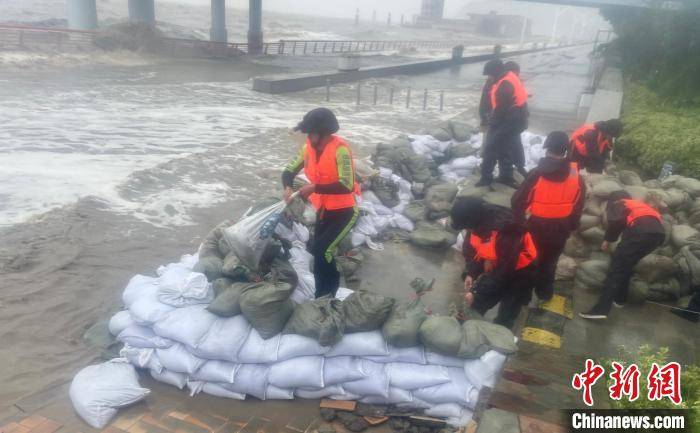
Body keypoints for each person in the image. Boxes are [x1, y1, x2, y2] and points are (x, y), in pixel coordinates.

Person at [282, 107, 359, 298]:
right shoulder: (308, 148)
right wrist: (287, 187)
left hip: (345, 211)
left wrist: (315, 188)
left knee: (323, 251)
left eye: (311, 133)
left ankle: (328, 294)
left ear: (322, 132)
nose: (308, 136)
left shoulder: (340, 150)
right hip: (324, 210)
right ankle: (320, 294)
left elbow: (347, 185)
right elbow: (289, 171)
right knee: (319, 253)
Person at [511, 131, 586, 301]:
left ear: (546, 148)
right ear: (565, 151)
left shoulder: (536, 174)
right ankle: (544, 293)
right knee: (549, 263)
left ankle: (524, 296)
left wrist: (520, 222)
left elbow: (517, 201)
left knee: (529, 260)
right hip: (560, 229)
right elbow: (578, 206)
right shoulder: (576, 178)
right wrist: (572, 226)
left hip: (534, 228)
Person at [451, 197, 538, 329]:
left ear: (472, 220)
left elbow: (504, 270)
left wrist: (477, 292)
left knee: (506, 314)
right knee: (475, 303)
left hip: (522, 272)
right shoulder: (476, 227)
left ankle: (501, 333)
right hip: (500, 266)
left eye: (466, 226)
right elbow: (473, 253)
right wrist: (471, 273)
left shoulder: (507, 231)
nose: (467, 230)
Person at [580, 191, 665, 319]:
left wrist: (608, 240)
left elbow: (616, 223)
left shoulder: (620, 203)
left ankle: (600, 310)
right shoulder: (639, 206)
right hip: (658, 236)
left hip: (640, 233)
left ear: (613, 200)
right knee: (627, 264)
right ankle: (620, 299)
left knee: (616, 270)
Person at [476, 58, 529, 188]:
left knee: (490, 148)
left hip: (508, 121)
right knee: (505, 148)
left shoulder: (504, 85)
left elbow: (500, 111)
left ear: (495, 71)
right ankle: (506, 177)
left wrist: (491, 123)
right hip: (517, 120)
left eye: (489, 74)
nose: (489, 77)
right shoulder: (510, 76)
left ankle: (486, 178)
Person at [503, 60, 529, 179]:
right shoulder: (515, 82)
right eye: (517, 72)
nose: (517, 75)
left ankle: (510, 172)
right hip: (517, 120)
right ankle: (518, 167)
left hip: (511, 120)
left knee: (508, 145)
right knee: (514, 144)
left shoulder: (507, 82)